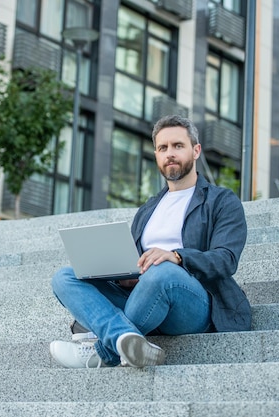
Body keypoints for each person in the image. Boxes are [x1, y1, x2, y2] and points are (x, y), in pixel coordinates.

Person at [49, 115, 251, 368]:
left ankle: (101, 352)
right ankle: (126, 339)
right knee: (65, 277)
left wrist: (177, 257)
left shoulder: (221, 201)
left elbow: (226, 259)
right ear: (156, 155)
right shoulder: (148, 210)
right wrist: (125, 275)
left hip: (194, 304)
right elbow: (137, 262)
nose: (170, 154)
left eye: (178, 146)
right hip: (143, 298)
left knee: (162, 272)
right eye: (162, 148)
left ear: (196, 150)